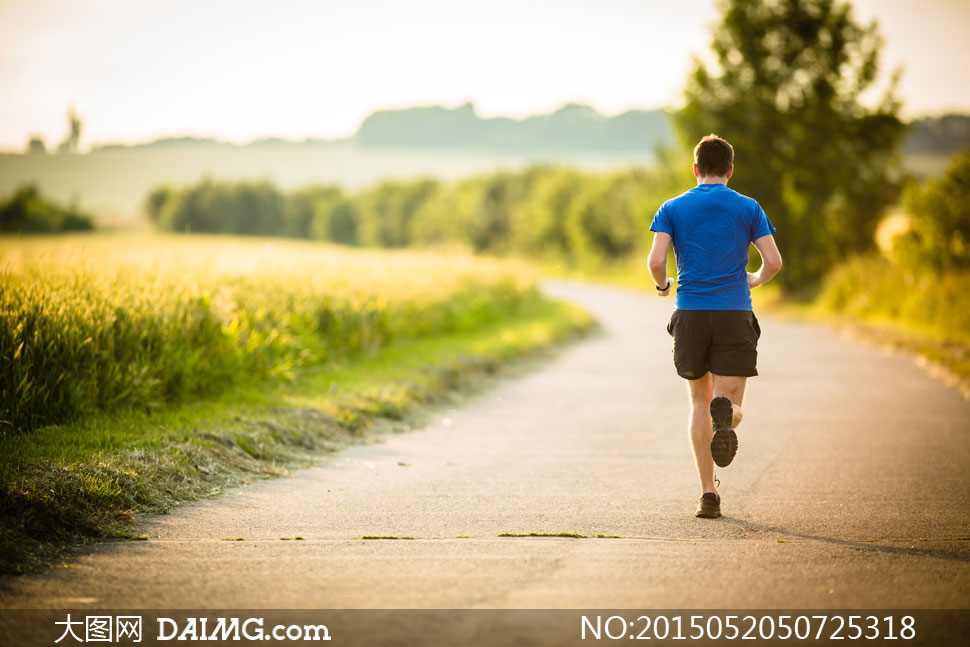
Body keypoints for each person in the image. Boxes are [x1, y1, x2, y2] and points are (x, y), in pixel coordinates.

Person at [646, 134, 782, 519]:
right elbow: (773, 262)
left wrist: (662, 286)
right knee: (730, 403)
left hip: (690, 313)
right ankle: (730, 417)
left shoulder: (672, 207)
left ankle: (708, 495)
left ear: (695, 168)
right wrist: (754, 279)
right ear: (730, 170)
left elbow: (656, 261)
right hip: (733, 312)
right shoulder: (748, 207)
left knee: (698, 403)